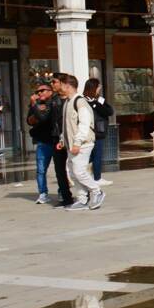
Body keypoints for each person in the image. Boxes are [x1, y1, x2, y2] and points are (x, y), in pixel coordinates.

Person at [56, 73, 104, 211]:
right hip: (72, 145)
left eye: (61, 84)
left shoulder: (79, 102)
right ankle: (82, 199)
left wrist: (77, 142)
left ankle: (96, 191)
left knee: (79, 171)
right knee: (72, 172)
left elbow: (84, 124)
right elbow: (67, 125)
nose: (59, 87)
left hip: (82, 144)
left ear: (68, 86)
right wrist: (62, 140)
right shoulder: (67, 102)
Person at [26, 80, 67, 204]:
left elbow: (44, 119)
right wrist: (35, 112)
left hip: (55, 140)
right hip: (43, 141)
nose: (39, 93)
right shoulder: (36, 104)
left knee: (60, 169)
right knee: (41, 169)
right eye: (37, 91)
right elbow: (29, 120)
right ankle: (43, 193)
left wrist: (37, 110)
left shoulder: (55, 102)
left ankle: (62, 191)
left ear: (50, 91)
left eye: (42, 90)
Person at [83, 78, 114, 185]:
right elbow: (100, 110)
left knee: (95, 155)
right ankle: (97, 178)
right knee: (95, 155)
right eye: (98, 87)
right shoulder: (84, 101)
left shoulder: (98, 99)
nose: (99, 89)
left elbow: (109, 111)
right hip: (93, 131)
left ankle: (93, 175)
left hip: (100, 130)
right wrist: (95, 104)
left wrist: (98, 101)